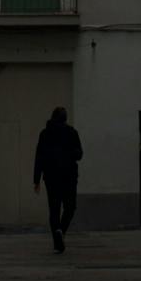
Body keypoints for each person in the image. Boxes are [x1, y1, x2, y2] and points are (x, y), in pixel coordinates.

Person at [32, 105, 82, 252]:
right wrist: (70, 154)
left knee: (54, 209)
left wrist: (36, 180)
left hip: (51, 177)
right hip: (69, 177)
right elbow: (79, 154)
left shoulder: (45, 134)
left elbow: (39, 157)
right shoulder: (72, 133)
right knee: (70, 207)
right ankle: (61, 232)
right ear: (65, 118)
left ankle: (57, 236)